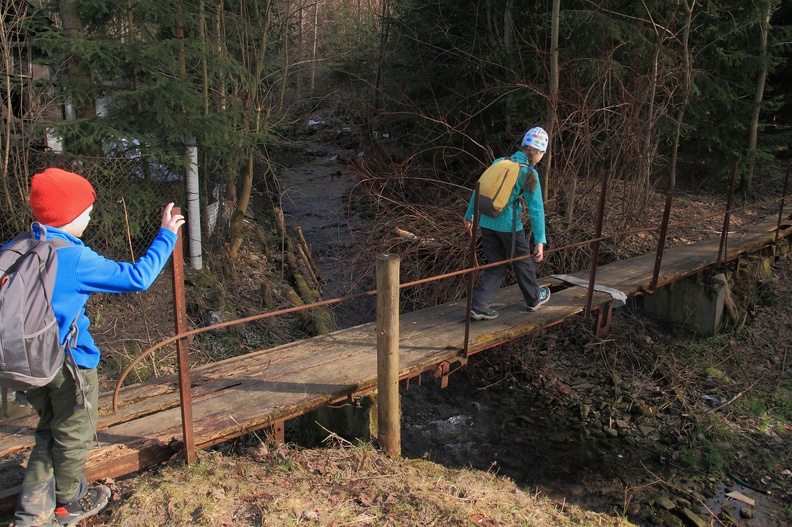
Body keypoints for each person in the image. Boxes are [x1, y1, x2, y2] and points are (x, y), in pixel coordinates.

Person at [12, 168, 185, 527]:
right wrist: (166, 237)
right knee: (75, 432)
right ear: (70, 216)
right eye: (87, 213)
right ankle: (68, 502)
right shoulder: (73, 259)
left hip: (26, 361)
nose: (90, 218)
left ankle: (32, 511)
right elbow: (137, 278)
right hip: (67, 364)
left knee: (49, 427)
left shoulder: (19, 246)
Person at [463, 127, 551, 320]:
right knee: (522, 263)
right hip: (509, 227)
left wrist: (469, 215)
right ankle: (534, 299)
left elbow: (479, 189)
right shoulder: (528, 173)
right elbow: (536, 210)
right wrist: (540, 240)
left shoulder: (499, 162)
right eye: (543, 153)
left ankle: (479, 307)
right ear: (539, 152)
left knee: (495, 264)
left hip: (486, 222)